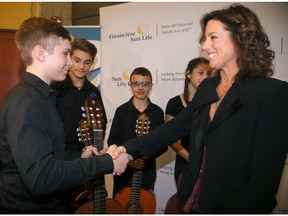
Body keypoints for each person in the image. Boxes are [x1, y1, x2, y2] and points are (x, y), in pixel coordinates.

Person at [111, 4, 288, 213]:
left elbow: (264, 179)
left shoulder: (273, 94)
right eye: (205, 39)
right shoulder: (208, 87)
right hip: (191, 201)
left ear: (240, 37)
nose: (205, 45)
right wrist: (126, 149)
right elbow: (174, 128)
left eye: (213, 37)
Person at [0, 17, 130, 213]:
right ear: (40, 53)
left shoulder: (43, 96)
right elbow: (42, 177)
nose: (71, 63)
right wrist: (106, 163)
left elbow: (49, 154)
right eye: (66, 54)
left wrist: (80, 156)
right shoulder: (27, 102)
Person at [107, 67, 167, 198]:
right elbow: (113, 141)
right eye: (136, 83)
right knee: (120, 208)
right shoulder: (121, 111)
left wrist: (146, 156)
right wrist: (127, 159)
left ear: (151, 86)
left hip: (147, 171)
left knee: (144, 207)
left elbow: (163, 145)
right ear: (130, 86)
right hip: (123, 172)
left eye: (145, 84)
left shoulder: (157, 112)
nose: (140, 88)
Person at [51, 38, 107, 160]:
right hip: (59, 156)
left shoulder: (93, 92)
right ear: (69, 59)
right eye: (77, 60)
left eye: (87, 62)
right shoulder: (55, 88)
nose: (82, 66)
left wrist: (94, 146)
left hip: (87, 155)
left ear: (92, 63)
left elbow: (102, 123)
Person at [165, 57, 211, 187]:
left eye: (209, 74)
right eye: (201, 72)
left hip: (208, 164)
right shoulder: (174, 103)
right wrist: (191, 159)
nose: (205, 77)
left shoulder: (213, 103)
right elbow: (171, 138)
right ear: (189, 74)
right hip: (185, 162)